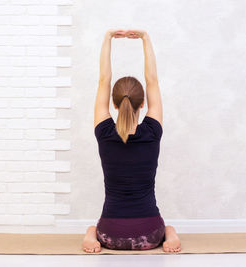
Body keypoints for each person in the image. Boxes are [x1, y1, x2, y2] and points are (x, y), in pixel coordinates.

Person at [82, 29, 181, 253]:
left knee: (92, 227)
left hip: (110, 235)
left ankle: (91, 235)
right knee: (168, 227)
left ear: (114, 105)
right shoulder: (152, 131)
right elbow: (152, 80)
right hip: (150, 235)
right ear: (143, 102)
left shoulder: (104, 132)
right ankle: (170, 234)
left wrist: (106, 38)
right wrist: (146, 38)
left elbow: (103, 80)